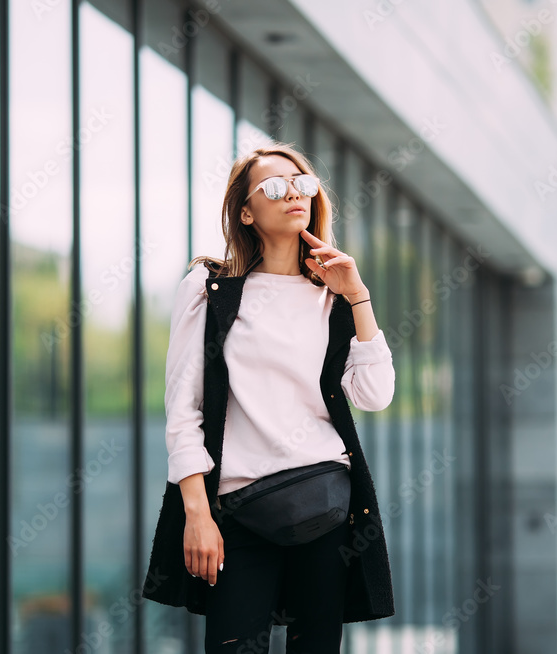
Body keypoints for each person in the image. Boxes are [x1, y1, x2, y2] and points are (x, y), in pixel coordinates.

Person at [155, 142, 396, 652]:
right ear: (246, 211)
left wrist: (357, 295)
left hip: (325, 507)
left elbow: (373, 395)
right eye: (274, 187)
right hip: (238, 512)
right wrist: (196, 512)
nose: (294, 194)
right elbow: (183, 408)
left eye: (303, 184)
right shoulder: (210, 287)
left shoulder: (332, 294)